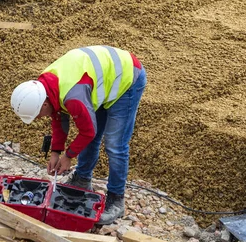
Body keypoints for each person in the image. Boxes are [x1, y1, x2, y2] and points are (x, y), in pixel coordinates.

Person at [10, 46, 146, 225]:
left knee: (115, 145)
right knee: (92, 134)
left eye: (38, 115)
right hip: (101, 80)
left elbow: (87, 132)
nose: (39, 118)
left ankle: (116, 199)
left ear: (43, 104)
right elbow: (58, 118)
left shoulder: (73, 97)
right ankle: (82, 179)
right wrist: (55, 152)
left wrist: (68, 157)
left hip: (127, 79)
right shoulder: (45, 87)